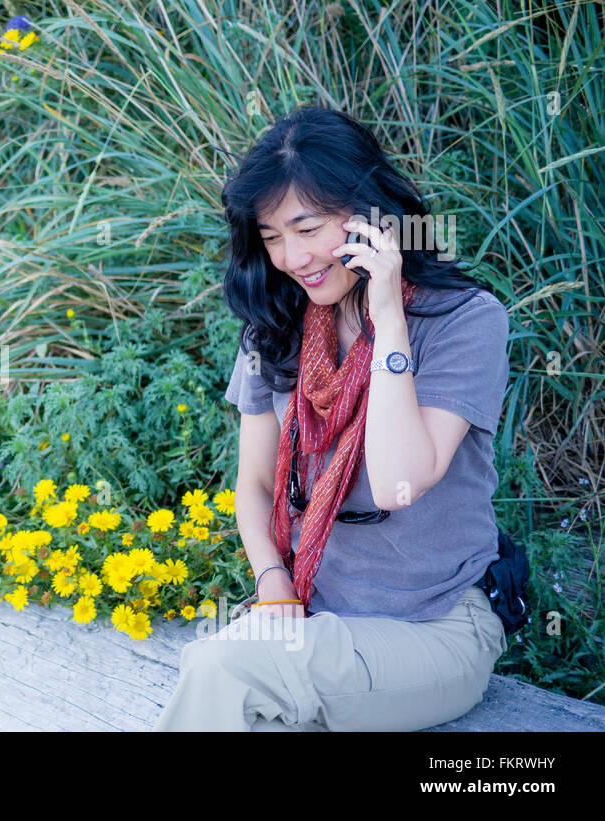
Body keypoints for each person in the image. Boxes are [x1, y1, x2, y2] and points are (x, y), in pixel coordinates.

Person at [153, 105, 510, 732]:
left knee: (221, 672)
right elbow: (256, 486)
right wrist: (274, 587)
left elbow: (403, 479)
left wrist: (388, 320)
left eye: (307, 228)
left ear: (370, 215)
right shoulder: (277, 325)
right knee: (226, 684)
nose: (291, 257)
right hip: (313, 613)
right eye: (270, 237)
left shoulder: (464, 321)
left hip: (434, 628)